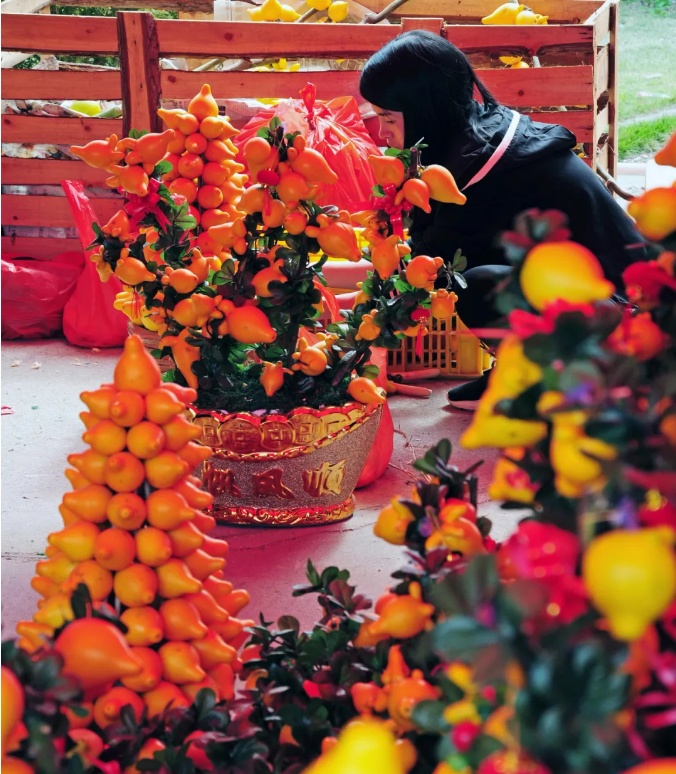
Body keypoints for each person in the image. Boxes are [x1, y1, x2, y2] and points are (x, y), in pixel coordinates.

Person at [359, 29, 648, 408]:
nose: (382, 135)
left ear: (426, 110)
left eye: (389, 119)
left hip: (631, 325)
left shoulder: (483, 176)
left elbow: (422, 263)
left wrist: (357, 315)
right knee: (474, 271)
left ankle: (561, 383)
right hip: (599, 300)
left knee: (469, 283)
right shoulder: (481, 137)